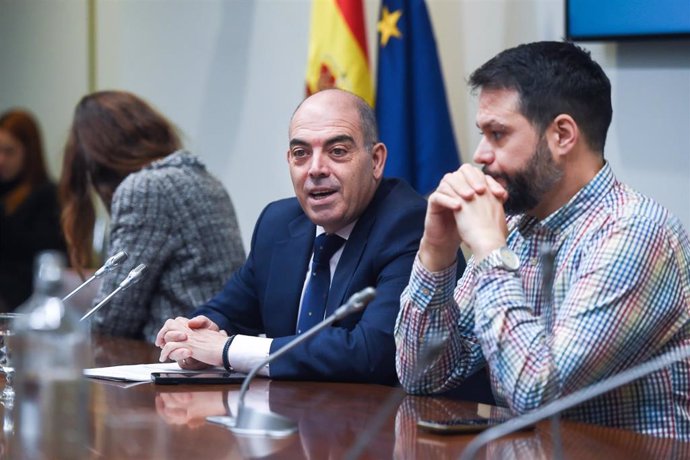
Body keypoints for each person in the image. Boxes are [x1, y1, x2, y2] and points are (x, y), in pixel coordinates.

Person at [395, 41, 690, 438]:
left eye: (498, 134)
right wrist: (436, 252)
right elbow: (422, 376)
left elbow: (537, 394)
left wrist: (488, 252)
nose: (480, 155)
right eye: (482, 134)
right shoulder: (518, 227)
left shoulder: (635, 233)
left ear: (563, 135)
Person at [156, 89, 466, 385]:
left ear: (376, 161)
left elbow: (373, 352)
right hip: (292, 422)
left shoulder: (409, 224)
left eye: (337, 151)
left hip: (389, 429)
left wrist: (227, 350)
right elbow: (227, 310)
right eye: (301, 153)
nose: (316, 169)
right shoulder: (278, 223)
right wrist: (196, 332)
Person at [60, 90, 245, 343]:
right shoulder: (204, 178)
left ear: (96, 158)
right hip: (215, 358)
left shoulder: (146, 187)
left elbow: (115, 315)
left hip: (172, 363)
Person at [0, 109, 66, 311]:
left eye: (9, 151)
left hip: (27, 308)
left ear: (29, 152)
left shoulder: (48, 196)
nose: (1, 160)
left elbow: (48, 265)